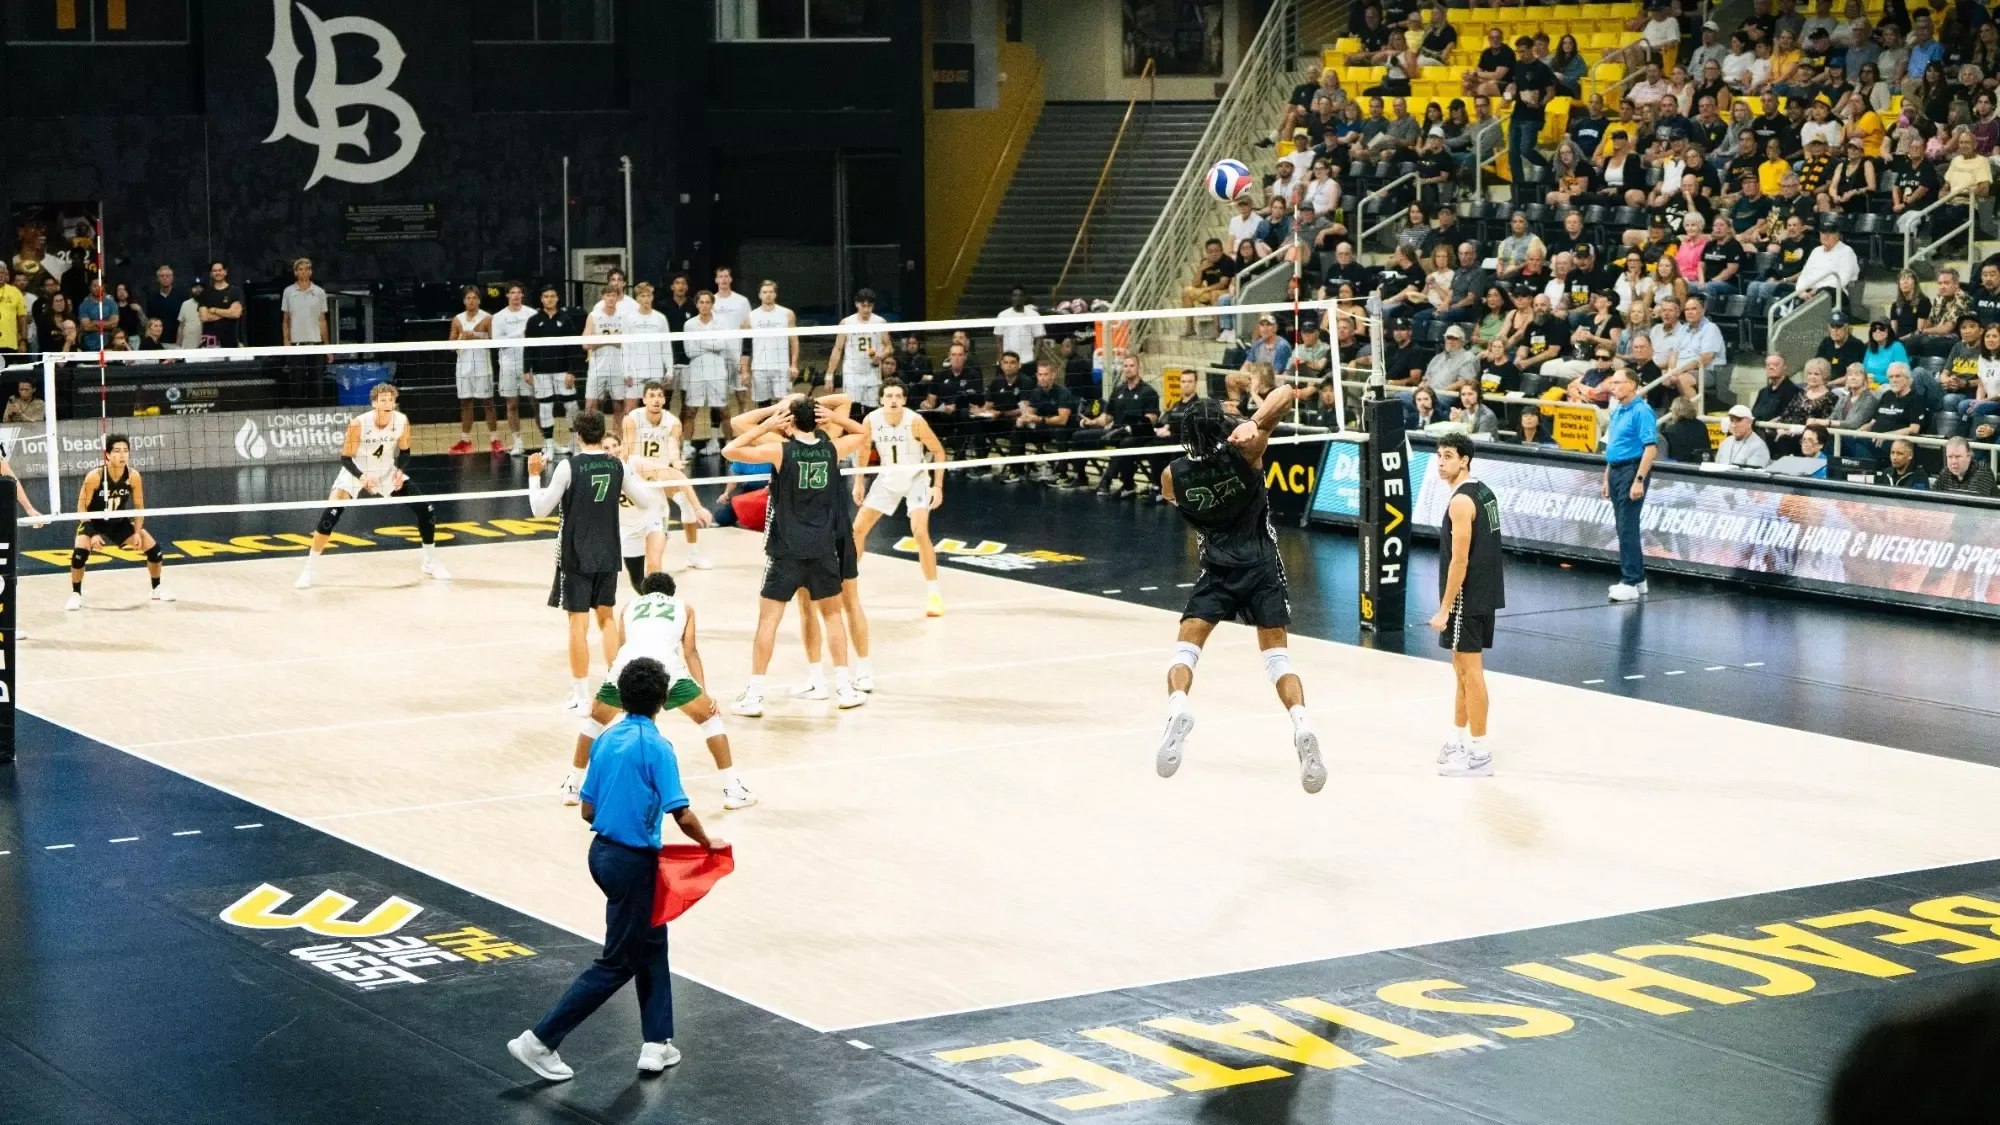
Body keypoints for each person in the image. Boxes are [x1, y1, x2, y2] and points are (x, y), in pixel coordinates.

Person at [507, 657, 723, 1084]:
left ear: (621, 697)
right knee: (618, 962)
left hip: (602, 855)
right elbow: (679, 811)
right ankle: (540, 1040)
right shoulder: (657, 747)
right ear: (663, 700)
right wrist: (707, 842)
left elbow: (588, 807)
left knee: (652, 940)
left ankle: (657, 1042)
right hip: (633, 864)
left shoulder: (604, 740)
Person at [1155, 386, 1324, 795]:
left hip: (1218, 568)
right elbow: (1283, 395)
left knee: (1185, 652)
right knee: (1278, 660)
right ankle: (1302, 722)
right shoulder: (1247, 453)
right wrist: (1253, 423)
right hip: (1263, 567)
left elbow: (1181, 493)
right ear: (1222, 429)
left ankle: (1178, 708)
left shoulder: (1171, 477)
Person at [722, 395, 873, 715]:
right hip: (822, 548)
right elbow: (862, 434)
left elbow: (729, 449)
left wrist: (767, 424)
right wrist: (832, 419)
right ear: (818, 421)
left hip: (786, 551)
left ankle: (755, 695)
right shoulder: (831, 449)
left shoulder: (780, 451)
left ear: (788, 422)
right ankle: (844, 689)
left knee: (768, 622)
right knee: (832, 617)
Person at [564, 573, 755, 810]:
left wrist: (611, 686)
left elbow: (624, 647)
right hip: (667, 667)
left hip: (627, 666)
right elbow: (691, 651)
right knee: (710, 720)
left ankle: (572, 786)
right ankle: (733, 789)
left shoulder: (629, 606)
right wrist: (704, 694)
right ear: (670, 593)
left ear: (645, 593)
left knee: (593, 722)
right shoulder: (684, 606)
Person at [528, 409, 662, 713]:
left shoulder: (568, 467)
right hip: (608, 551)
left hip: (575, 555)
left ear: (577, 436)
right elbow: (646, 501)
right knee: (607, 619)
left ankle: (581, 695)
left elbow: (539, 510)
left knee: (578, 623)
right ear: (602, 435)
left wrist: (534, 475)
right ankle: (616, 689)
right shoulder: (617, 466)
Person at [296, 383, 449, 590]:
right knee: (329, 515)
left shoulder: (401, 420)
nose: (388, 404)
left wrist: (399, 471)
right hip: (355, 471)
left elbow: (405, 452)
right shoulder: (359, 424)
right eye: (383, 400)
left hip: (385, 471)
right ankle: (309, 570)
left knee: (426, 509)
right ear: (374, 403)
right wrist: (362, 477)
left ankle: (430, 562)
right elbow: (346, 458)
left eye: (391, 400)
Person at [1428, 432, 1503, 778]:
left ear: (1464, 461)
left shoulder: (1460, 503)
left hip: (1466, 597)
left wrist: (1445, 607)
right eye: (1439, 456)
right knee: (1461, 670)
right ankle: (1460, 741)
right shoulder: (1483, 490)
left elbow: (1460, 561)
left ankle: (1480, 753)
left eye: (1448, 456)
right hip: (1483, 594)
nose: (1441, 463)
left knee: (1471, 673)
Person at [852, 379, 949, 618]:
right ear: (881, 399)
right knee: (857, 530)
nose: (893, 400)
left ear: (904, 400)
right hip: (887, 479)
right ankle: (847, 586)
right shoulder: (871, 420)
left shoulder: (915, 421)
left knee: (919, 532)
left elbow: (938, 451)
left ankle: (934, 594)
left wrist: (937, 486)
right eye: (889, 396)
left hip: (916, 478)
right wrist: (858, 482)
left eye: (898, 396)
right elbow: (863, 452)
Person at [66, 434, 173, 611]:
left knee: (155, 551)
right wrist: (92, 535)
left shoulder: (134, 476)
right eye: (117, 451)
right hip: (93, 522)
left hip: (118, 522)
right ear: (107, 454)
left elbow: (139, 507)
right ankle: (76, 594)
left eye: (125, 451)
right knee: (79, 554)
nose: (122, 455)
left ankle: (156, 589)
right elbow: (81, 508)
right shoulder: (95, 476)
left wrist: (137, 532)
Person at [621, 381, 713, 574]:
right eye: (652, 395)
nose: (656, 399)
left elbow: (672, 445)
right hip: (637, 474)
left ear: (664, 399)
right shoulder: (632, 419)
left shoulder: (673, 422)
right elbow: (627, 448)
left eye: (660, 395)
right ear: (644, 399)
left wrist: (676, 461)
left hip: (660, 474)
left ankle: (693, 554)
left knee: (685, 502)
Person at [1602, 369, 1658, 602]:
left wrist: (1639, 480)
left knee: (1627, 527)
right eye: (1612, 382)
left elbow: (1650, 448)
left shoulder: (1642, 411)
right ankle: (1640, 578)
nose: (1613, 386)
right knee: (1622, 526)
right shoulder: (1617, 411)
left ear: (1632, 385)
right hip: (1615, 469)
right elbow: (1613, 445)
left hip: (1631, 470)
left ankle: (1630, 580)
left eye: (1618, 382)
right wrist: (1606, 477)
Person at [525, 285, 582, 453]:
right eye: (546, 296)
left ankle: (574, 441)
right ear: (541, 299)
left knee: (571, 406)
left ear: (557, 298)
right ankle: (548, 444)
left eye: (552, 296)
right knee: (545, 406)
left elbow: (573, 347)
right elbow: (527, 347)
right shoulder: (534, 321)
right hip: (541, 371)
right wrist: (526, 369)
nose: (549, 299)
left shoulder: (566, 319)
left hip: (563, 370)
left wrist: (572, 371)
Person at [447, 286, 499, 454]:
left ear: (479, 300)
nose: (471, 301)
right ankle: (465, 441)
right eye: (468, 298)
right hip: (463, 369)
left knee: (488, 404)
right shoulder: (457, 320)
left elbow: (494, 341)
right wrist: (463, 336)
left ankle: (494, 439)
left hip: (483, 368)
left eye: (474, 298)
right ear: (464, 301)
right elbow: (450, 345)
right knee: (465, 404)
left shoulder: (488, 318)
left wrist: (476, 334)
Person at [490, 284, 536, 456]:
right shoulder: (499, 317)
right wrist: (518, 335)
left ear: (522, 295)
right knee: (512, 404)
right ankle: (517, 442)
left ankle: (548, 441)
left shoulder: (531, 314)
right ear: (507, 295)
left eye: (519, 292)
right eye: (512, 293)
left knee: (537, 403)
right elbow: (497, 342)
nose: (516, 296)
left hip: (529, 366)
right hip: (508, 366)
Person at [829, 288, 890, 409]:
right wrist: (829, 375)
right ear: (857, 304)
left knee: (872, 411)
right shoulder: (846, 323)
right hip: (852, 374)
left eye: (870, 306)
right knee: (852, 410)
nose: (866, 309)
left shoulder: (880, 322)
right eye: (863, 306)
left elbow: (889, 347)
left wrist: (882, 355)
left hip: (873, 374)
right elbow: (837, 349)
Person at [584, 278, 635, 423]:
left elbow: (628, 344)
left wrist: (598, 339)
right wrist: (612, 338)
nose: (610, 298)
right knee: (591, 406)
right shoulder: (593, 316)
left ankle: (617, 437)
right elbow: (586, 344)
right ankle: (593, 438)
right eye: (607, 295)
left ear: (617, 298)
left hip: (619, 368)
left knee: (619, 405)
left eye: (613, 295)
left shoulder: (624, 318)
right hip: (597, 368)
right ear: (603, 297)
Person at [745, 280, 799, 407]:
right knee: (763, 407)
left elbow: (794, 341)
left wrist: (794, 364)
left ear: (775, 295)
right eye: (764, 292)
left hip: (781, 367)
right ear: (759, 295)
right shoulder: (751, 317)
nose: (768, 295)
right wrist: (744, 370)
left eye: (770, 292)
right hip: (759, 368)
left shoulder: (787, 314)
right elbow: (746, 346)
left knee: (785, 406)